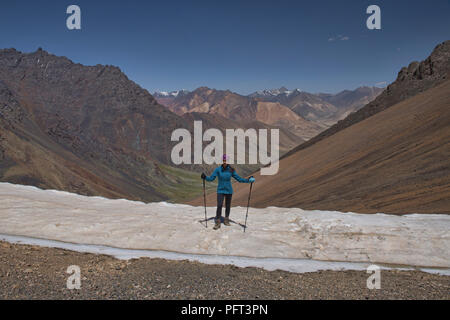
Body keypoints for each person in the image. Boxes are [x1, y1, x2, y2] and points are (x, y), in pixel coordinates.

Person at [201, 154, 255, 230]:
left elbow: (239, 179)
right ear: (222, 161)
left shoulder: (231, 170)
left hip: (229, 191)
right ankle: (218, 221)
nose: (225, 162)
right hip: (220, 190)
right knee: (219, 205)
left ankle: (226, 220)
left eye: (226, 160)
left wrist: (248, 180)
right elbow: (211, 179)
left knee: (228, 206)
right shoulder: (218, 169)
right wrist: (205, 177)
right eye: (223, 160)